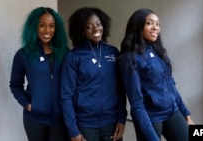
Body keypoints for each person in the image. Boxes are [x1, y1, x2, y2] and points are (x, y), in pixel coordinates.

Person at [118, 8, 195, 141]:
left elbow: (171, 85)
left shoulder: (158, 51)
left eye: (158, 24)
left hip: (172, 110)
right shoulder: (129, 58)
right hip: (150, 116)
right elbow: (136, 103)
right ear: (138, 26)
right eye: (150, 23)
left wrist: (186, 114)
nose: (156, 28)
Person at [61, 7, 127, 141]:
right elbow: (66, 96)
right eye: (89, 27)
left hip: (111, 123)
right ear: (82, 31)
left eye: (98, 24)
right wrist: (73, 130)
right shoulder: (73, 56)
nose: (96, 29)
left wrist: (121, 118)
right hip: (85, 125)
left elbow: (120, 89)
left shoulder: (113, 52)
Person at [9, 7, 70, 141]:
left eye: (51, 26)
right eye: (42, 25)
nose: (47, 30)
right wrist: (28, 104)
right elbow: (15, 84)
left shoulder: (64, 52)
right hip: (35, 119)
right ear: (34, 27)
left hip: (60, 119)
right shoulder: (23, 55)